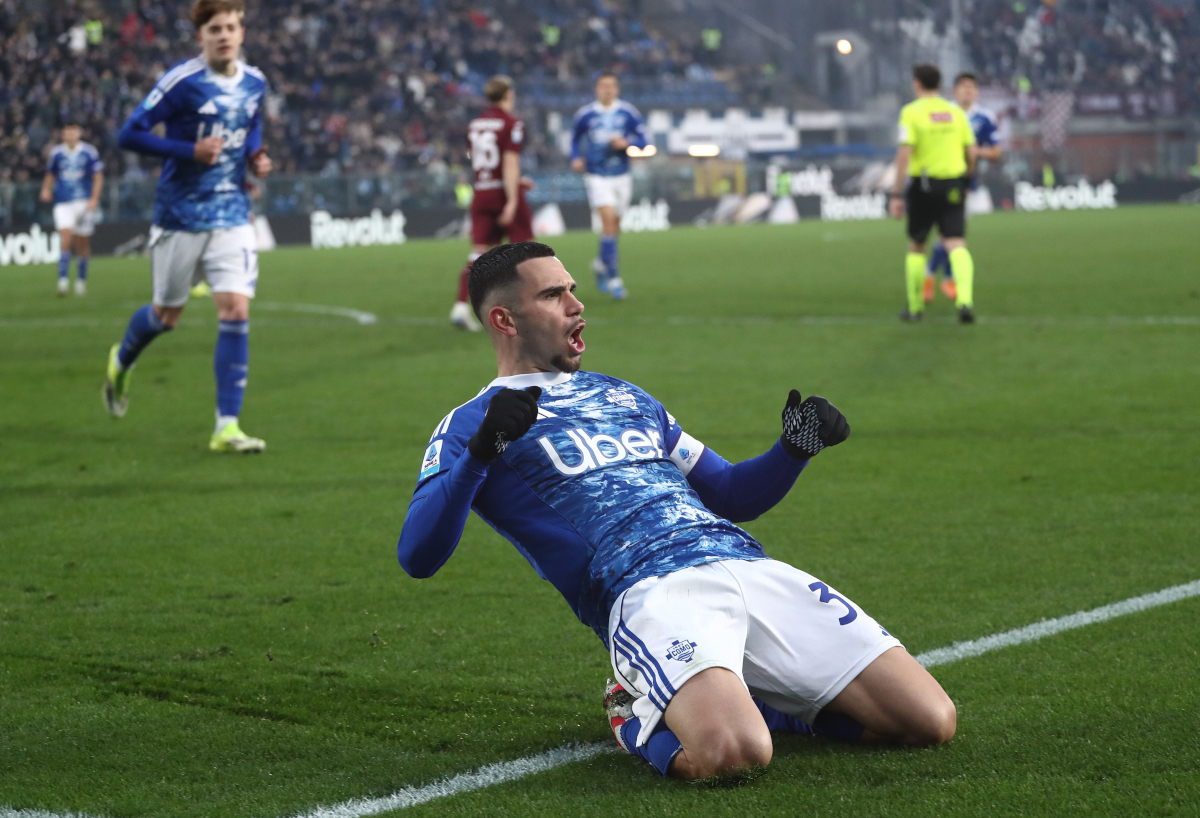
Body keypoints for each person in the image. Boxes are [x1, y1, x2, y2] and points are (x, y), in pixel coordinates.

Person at [397, 241, 956, 781]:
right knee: (732, 756)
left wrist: (793, 449)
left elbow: (733, 495)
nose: (576, 304)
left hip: (743, 565)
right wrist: (480, 454)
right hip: (648, 594)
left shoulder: (627, 397)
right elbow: (418, 554)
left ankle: (766, 707)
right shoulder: (471, 425)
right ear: (504, 320)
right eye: (552, 295)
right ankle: (633, 710)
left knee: (929, 721)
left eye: (573, 289)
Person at [104, 0, 271, 454]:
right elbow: (129, 133)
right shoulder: (182, 82)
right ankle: (121, 361)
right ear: (200, 36)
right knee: (166, 316)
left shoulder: (255, 82)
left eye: (231, 27)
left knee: (236, 309)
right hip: (180, 216)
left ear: (241, 31)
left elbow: (251, 124)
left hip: (232, 213)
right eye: (214, 29)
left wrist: (255, 157)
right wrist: (187, 150)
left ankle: (226, 427)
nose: (223, 35)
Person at [890, 64, 978, 324]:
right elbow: (971, 153)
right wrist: (965, 179)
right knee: (956, 242)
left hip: (923, 184)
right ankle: (965, 301)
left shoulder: (911, 112)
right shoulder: (955, 113)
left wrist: (896, 194)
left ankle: (915, 308)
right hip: (953, 183)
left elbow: (905, 152)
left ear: (917, 84)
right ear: (939, 84)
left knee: (917, 245)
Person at [449, 75, 534, 332]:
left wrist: (516, 181)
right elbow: (508, 162)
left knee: (479, 254)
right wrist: (511, 199)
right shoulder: (512, 123)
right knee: (529, 253)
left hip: (482, 193)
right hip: (503, 192)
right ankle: (531, 309)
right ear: (508, 94)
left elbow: (483, 161)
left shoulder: (475, 125)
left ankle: (461, 307)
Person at [924, 72, 1002, 305]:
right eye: (963, 87)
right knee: (952, 235)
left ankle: (933, 275)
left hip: (969, 183)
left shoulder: (985, 117)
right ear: (955, 90)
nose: (968, 91)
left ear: (977, 92)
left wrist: (977, 152)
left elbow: (996, 152)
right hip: (944, 180)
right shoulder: (944, 114)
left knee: (950, 235)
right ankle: (942, 278)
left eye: (972, 87)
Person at [570, 72, 647, 299]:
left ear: (617, 90)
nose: (607, 90)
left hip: (622, 175)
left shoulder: (628, 112)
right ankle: (615, 280)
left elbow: (644, 141)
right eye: (603, 86)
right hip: (596, 175)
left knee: (615, 226)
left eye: (611, 86)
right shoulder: (585, 114)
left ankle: (600, 264)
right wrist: (575, 158)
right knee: (608, 222)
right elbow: (574, 139)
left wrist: (627, 143)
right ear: (597, 90)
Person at [40, 121, 103, 296]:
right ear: (63, 134)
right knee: (65, 238)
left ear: (79, 133)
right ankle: (63, 281)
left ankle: (81, 281)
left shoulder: (89, 152)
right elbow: (50, 173)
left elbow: (98, 177)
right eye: (67, 132)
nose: (70, 135)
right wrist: (45, 189)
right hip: (63, 202)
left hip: (83, 202)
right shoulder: (57, 153)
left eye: (73, 132)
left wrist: (93, 199)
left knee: (82, 242)